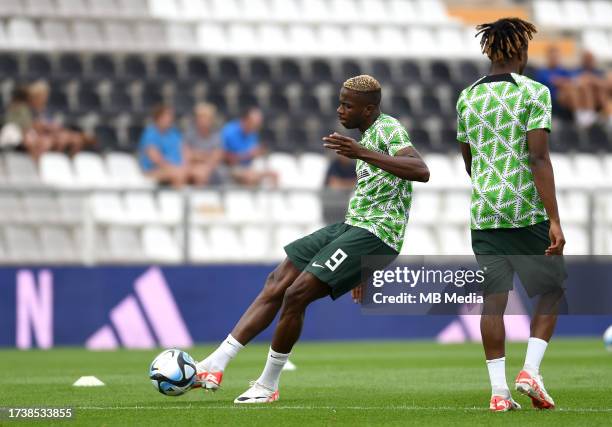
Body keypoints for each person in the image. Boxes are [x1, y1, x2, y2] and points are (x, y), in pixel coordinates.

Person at [193, 75, 429, 403]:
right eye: (340, 102)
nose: (340, 109)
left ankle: (267, 385)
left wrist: (360, 152)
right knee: (277, 281)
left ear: (370, 109)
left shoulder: (388, 129)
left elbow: (421, 170)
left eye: (348, 105)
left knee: (296, 294)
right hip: (350, 227)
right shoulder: (366, 134)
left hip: (375, 233)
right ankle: (215, 364)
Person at [457, 18, 566, 412]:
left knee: (493, 301)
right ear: (520, 51)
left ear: (489, 50)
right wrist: (554, 219)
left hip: (484, 211)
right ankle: (530, 372)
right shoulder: (534, 93)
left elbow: (468, 160)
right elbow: (538, 157)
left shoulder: (466, 97)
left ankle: (499, 393)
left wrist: (490, 185)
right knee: (552, 290)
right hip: (526, 209)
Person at [138, 104, 208, 188]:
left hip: (178, 167)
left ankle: (199, 198)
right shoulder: (150, 133)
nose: (170, 118)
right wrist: (175, 167)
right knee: (178, 174)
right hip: (155, 170)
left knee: (201, 172)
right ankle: (180, 199)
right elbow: (156, 158)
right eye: (167, 116)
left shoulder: (174, 132)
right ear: (158, 117)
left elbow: (185, 150)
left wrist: (186, 165)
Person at [29, 80, 94, 155]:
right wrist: (46, 126)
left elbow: (53, 123)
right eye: (41, 95)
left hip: (52, 132)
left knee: (75, 139)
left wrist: (53, 127)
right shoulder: (30, 109)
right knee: (47, 142)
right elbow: (33, 125)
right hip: (40, 134)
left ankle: (69, 161)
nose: (44, 98)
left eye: (45, 95)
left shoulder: (47, 109)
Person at [221, 107, 278, 186]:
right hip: (230, 168)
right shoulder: (229, 131)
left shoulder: (253, 133)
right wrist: (248, 155)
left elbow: (253, 153)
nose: (256, 126)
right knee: (250, 177)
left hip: (249, 167)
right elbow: (225, 157)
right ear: (245, 120)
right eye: (254, 123)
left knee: (273, 174)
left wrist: (259, 153)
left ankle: (272, 198)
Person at [183, 103, 225, 185]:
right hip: (193, 168)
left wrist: (197, 156)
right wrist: (205, 156)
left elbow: (215, 158)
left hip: (211, 170)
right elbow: (187, 156)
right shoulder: (189, 134)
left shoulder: (216, 135)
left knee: (202, 174)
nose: (203, 120)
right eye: (200, 117)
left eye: (206, 118)